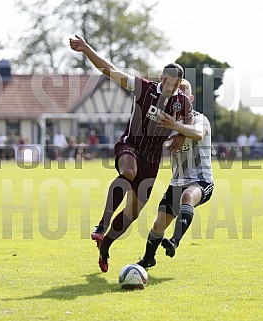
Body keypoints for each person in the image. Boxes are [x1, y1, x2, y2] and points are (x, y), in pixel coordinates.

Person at [69, 34, 193, 272]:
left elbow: (189, 125)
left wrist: (180, 134)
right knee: (128, 171)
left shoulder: (181, 102)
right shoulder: (143, 87)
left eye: (179, 85)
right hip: (130, 146)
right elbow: (110, 70)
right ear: (162, 78)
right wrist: (86, 49)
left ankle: (105, 245)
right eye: (172, 83)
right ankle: (101, 225)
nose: (175, 88)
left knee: (132, 213)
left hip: (153, 159)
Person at [136, 79, 214, 268]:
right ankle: (148, 259)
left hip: (201, 181)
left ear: (191, 98)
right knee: (157, 225)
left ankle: (174, 241)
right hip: (176, 182)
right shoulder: (167, 121)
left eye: (183, 93)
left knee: (188, 197)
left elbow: (198, 134)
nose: (179, 97)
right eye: (175, 93)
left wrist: (176, 128)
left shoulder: (199, 119)